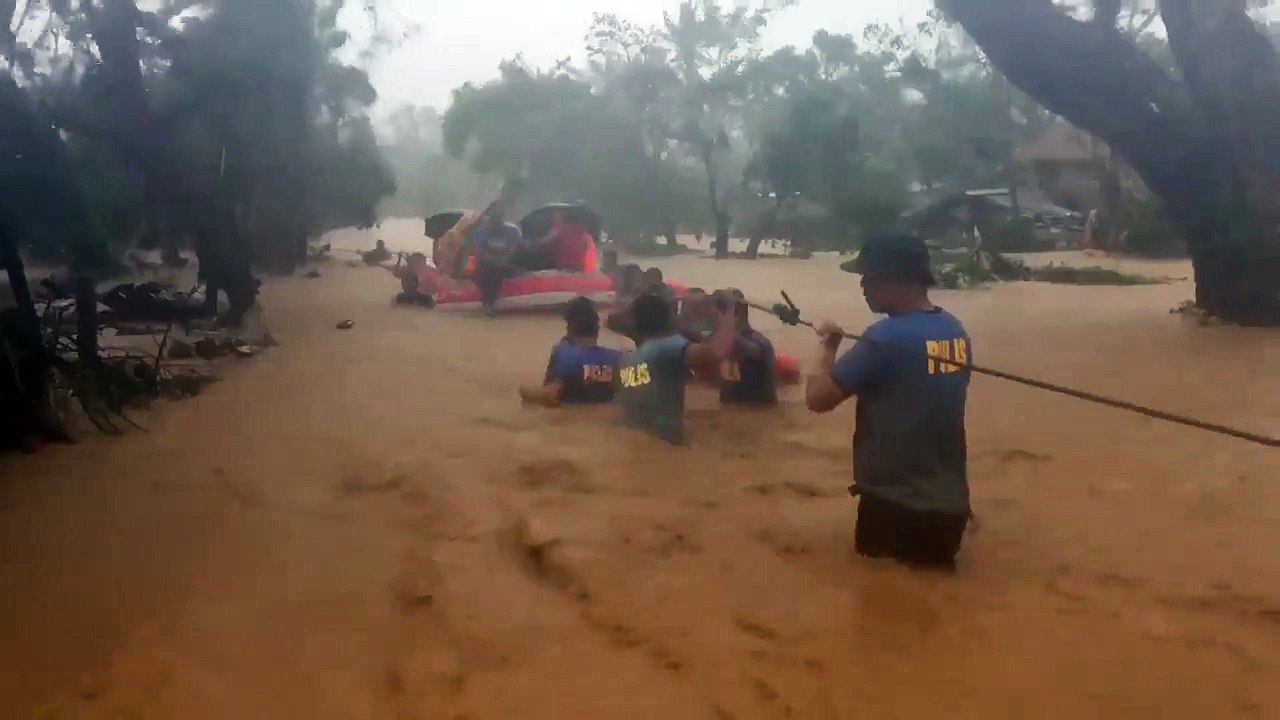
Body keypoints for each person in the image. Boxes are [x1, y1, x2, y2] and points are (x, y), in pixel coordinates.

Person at [803, 233, 972, 572]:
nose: (862, 285)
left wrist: (827, 346)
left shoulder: (885, 337)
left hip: (896, 506)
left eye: (868, 276)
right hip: (950, 506)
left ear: (895, 277)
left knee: (879, 611)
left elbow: (817, 399)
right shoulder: (954, 330)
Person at [609, 292, 737, 445]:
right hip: (668, 442)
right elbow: (713, 354)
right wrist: (729, 315)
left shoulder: (628, 360)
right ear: (669, 319)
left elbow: (611, 322)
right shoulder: (668, 347)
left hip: (636, 442)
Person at [520, 297, 620, 407]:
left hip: (564, 412)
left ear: (569, 328)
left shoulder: (564, 355)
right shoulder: (617, 359)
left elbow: (549, 393)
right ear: (597, 330)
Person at [715, 289, 778, 407]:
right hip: (736, 414)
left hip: (756, 415)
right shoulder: (724, 340)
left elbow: (756, 351)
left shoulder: (759, 342)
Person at [470, 205, 524, 315]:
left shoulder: (512, 230)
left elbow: (512, 251)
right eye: (494, 216)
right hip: (486, 264)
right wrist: (493, 261)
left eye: (499, 216)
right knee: (487, 271)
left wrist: (501, 260)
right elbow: (479, 252)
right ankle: (488, 304)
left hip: (505, 263)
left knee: (497, 270)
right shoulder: (480, 231)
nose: (496, 220)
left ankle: (488, 304)